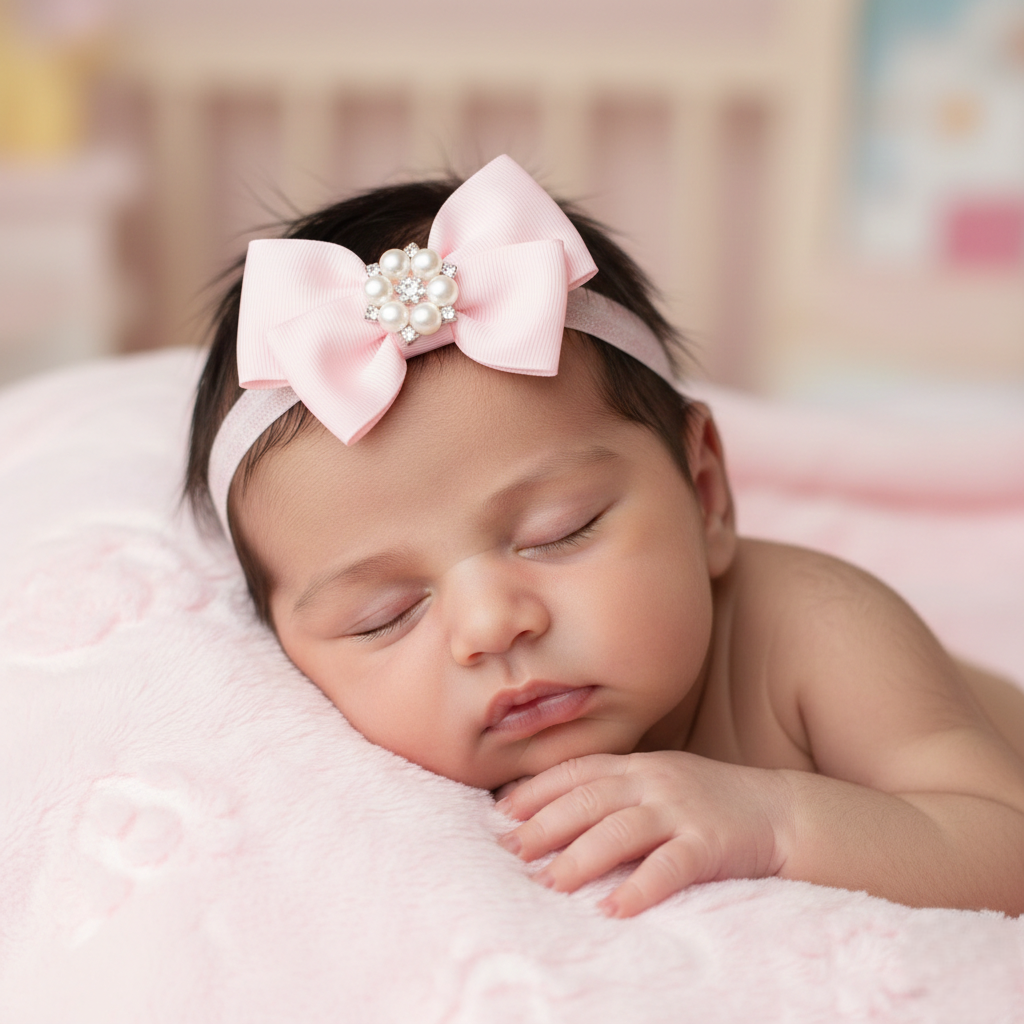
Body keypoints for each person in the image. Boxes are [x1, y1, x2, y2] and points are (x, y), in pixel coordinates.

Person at [186, 155, 1024, 919]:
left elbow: (1002, 847)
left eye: (561, 531)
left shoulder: (819, 629)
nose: (491, 625)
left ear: (704, 496)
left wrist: (774, 818)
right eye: (385, 614)